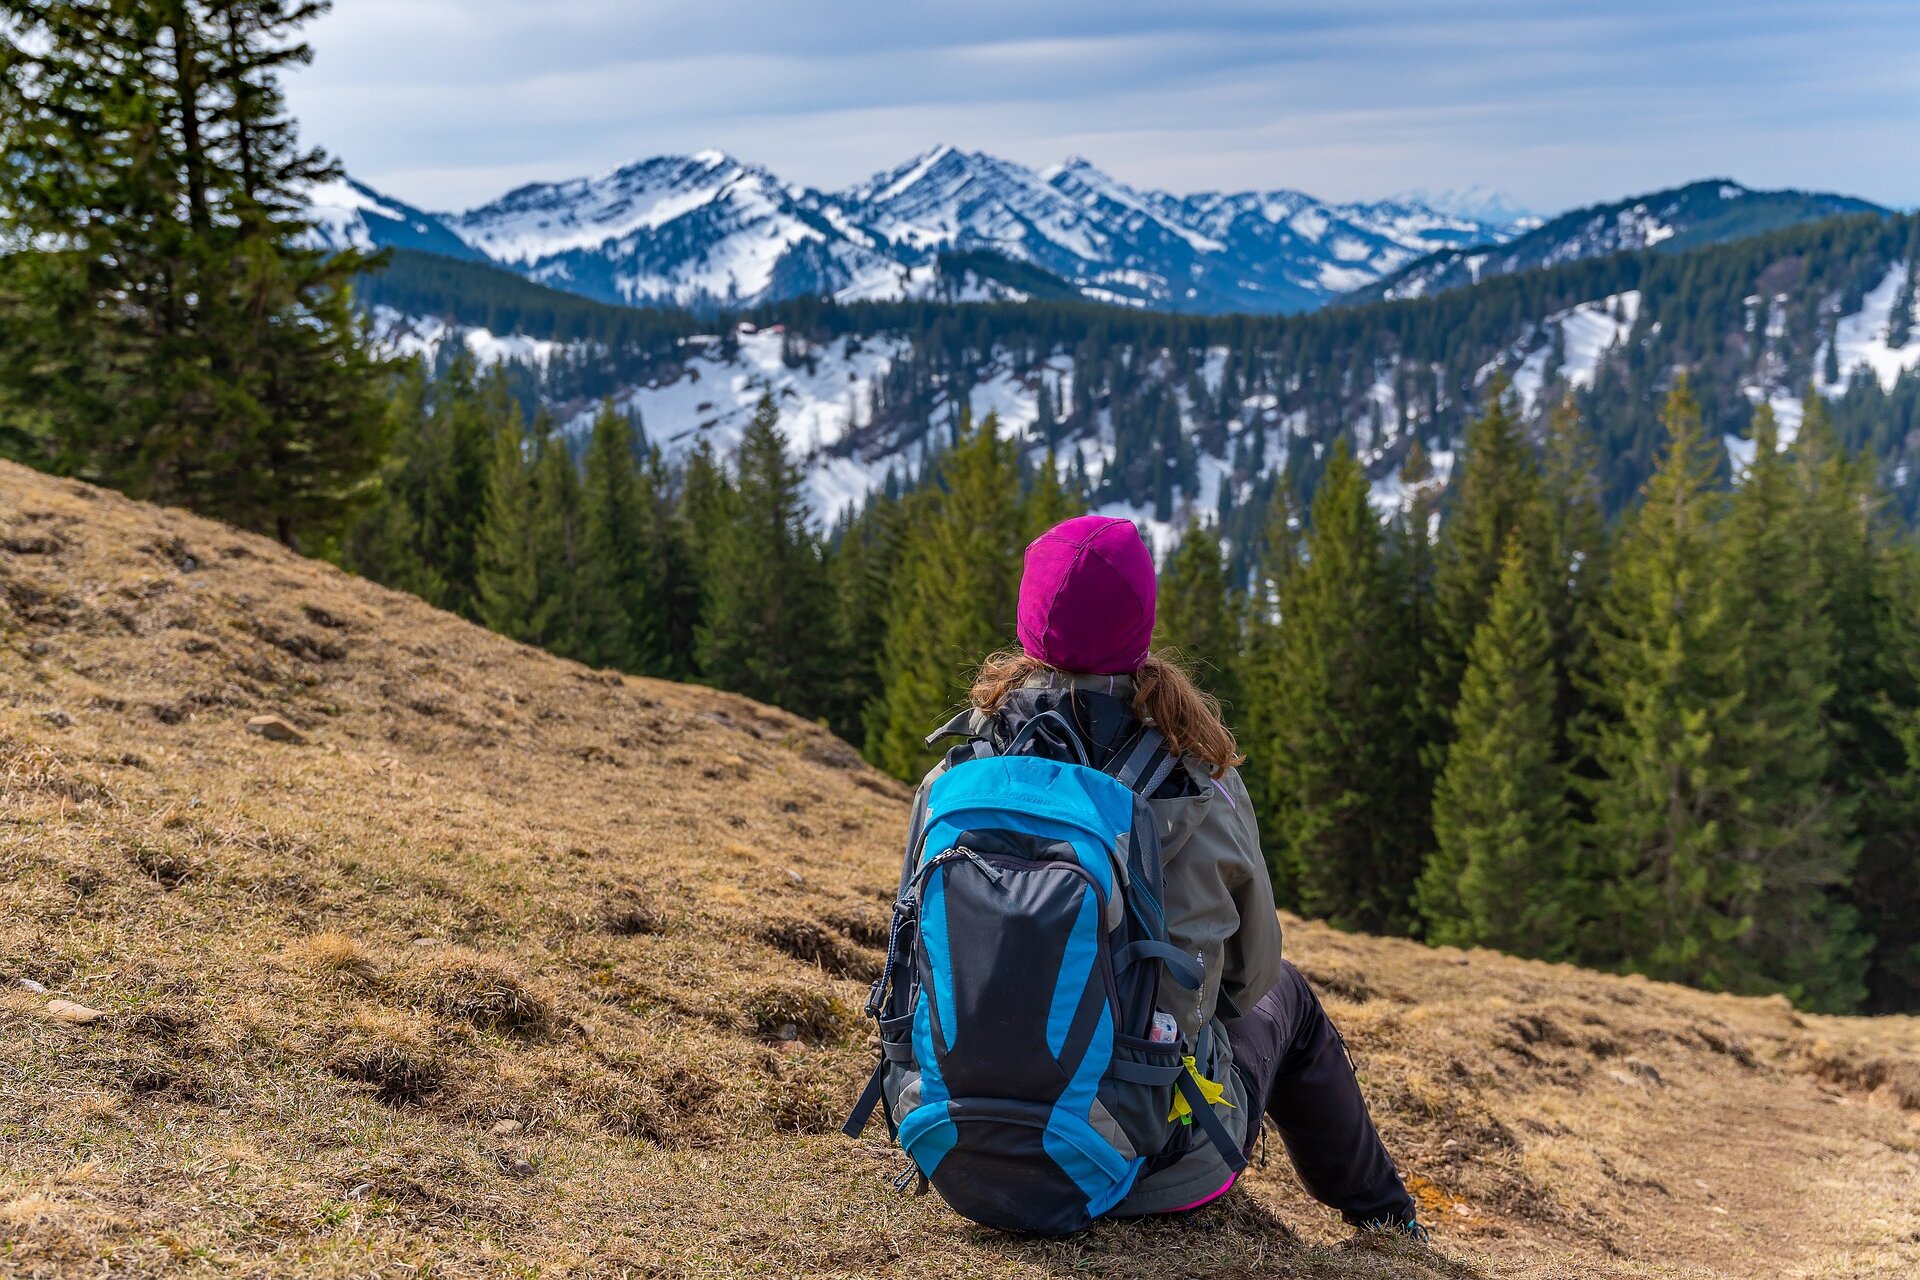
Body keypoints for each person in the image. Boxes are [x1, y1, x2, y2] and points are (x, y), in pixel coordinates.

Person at [914, 514, 1423, 1233]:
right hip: (1151, 1161)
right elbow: (1248, 982)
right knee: (1291, 996)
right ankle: (1387, 1218)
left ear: (1028, 621)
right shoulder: (1197, 783)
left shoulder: (955, 776)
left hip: (960, 1148)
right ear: (1140, 628)